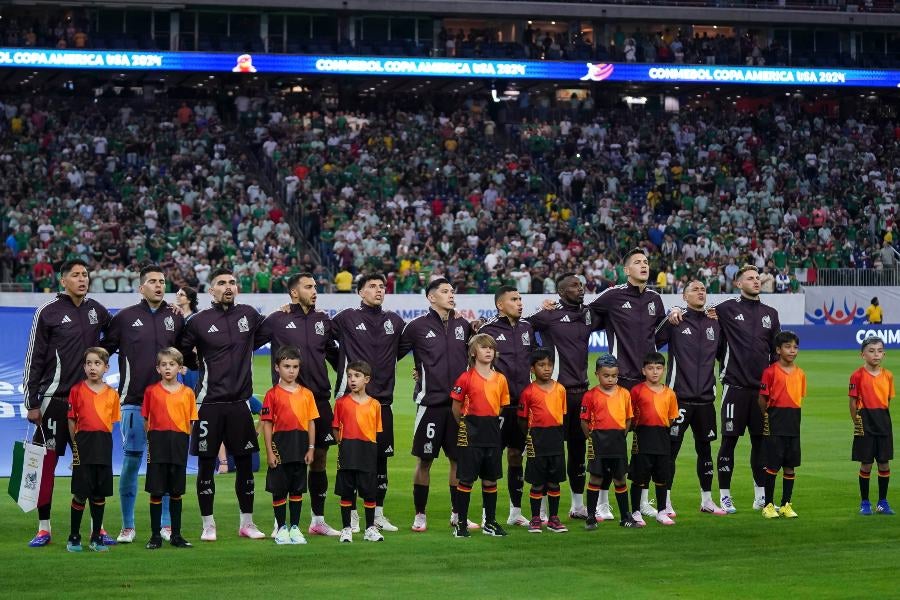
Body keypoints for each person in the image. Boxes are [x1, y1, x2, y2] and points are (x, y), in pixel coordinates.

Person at [24, 258, 112, 548]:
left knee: (89, 467)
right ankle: (43, 528)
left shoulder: (96, 311)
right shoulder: (47, 312)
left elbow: (116, 335)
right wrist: (32, 402)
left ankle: (95, 529)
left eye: (85, 274)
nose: (82, 279)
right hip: (54, 402)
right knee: (45, 465)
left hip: (87, 404)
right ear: (63, 280)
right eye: (75, 275)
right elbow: (34, 359)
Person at [178, 267, 266, 542]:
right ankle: (208, 525)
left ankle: (247, 523)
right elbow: (183, 353)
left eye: (232, 282)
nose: (228, 286)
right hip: (209, 404)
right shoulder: (197, 321)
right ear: (211, 290)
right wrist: (197, 366)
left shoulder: (249, 315)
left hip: (240, 404)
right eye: (221, 283)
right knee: (206, 465)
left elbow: (266, 334)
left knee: (244, 464)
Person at [101, 265, 185, 544]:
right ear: (141, 288)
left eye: (162, 281)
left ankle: (166, 525)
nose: (159, 285)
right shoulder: (124, 318)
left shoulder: (175, 318)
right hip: (134, 402)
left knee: (166, 464)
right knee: (132, 461)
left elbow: (187, 356)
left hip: (170, 405)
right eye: (152, 281)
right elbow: (103, 352)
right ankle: (128, 526)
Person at [255, 273, 341, 537]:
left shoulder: (323, 321)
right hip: (287, 401)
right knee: (285, 461)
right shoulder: (277, 320)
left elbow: (337, 355)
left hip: (319, 399)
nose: (315, 290)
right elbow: (247, 342)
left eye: (315, 286)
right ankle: (281, 523)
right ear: (294, 292)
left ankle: (317, 519)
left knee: (319, 459)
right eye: (308, 287)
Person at [586, 248, 667, 519]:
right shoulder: (612, 295)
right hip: (619, 382)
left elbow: (661, 334)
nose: (644, 265)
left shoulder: (656, 299)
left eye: (646, 261)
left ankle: (644, 501)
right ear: (626, 270)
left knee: (645, 444)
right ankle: (602, 504)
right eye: (637, 263)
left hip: (647, 383)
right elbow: (586, 314)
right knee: (612, 443)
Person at [331, 273, 407, 533]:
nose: (378, 290)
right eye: (372, 286)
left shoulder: (395, 322)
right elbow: (321, 338)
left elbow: (404, 349)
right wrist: (341, 366)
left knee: (380, 462)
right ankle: (351, 515)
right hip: (351, 403)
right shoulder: (345, 318)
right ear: (360, 292)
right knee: (351, 462)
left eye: (381, 287)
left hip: (382, 403)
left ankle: (378, 515)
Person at [528, 273, 604, 520]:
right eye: (574, 285)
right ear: (560, 292)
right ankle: (538, 509)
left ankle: (577, 505)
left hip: (581, 393)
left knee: (578, 450)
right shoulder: (548, 316)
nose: (580, 289)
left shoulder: (589, 314)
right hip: (553, 394)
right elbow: (522, 325)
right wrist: (534, 357)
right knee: (547, 451)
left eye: (581, 285)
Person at [401, 278, 473, 532]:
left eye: (452, 291)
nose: (451, 295)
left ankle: (457, 513)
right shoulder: (416, 327)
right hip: (429, 405)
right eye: (444, 291)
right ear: (431, 297)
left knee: (457, 460)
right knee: (424, 460)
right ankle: (420, 514)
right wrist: (417, 372)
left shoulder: (464, 325)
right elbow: (393, 353)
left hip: (458, 406)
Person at [710, 265, 781, 513]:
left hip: (761, 391)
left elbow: (775, 354)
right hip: (735, 387)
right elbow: (702, 316)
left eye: (757, 278)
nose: (755, 281)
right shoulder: (726, 309)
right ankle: (725, 496)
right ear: (739, 284)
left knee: (760, 443)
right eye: (749, 278)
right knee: (729, 441)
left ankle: (760, 496)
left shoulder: (770, 314)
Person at [654, 280, 726, 516]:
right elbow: (653, 338)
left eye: (703, 289)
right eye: (694, 289)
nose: (700, 292)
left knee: (705, 451)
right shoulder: (677, 321)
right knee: (670, 451)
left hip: (705, 399)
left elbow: (725, 354)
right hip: (679, 399)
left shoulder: (715, 323)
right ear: (684, 297)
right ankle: (665, 502)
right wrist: (670, 313)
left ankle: (707, 500)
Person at [480, 285, 536, 527]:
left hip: (522, 406)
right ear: (500, 305)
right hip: (497, 408)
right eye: (514, 299)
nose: (520, 303)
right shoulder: (487, 330)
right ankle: (486, 514)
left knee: (516, 456)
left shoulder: (527, 328)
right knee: (491, 458)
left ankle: (515, 511)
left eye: (521, 299)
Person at [450, 334, 510, 538]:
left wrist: (488, 422)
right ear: (474, 352)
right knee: (466, 480)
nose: (488, 351)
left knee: (490, 480)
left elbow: (501, 406)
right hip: (470, 431)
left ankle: (490, 522)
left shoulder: (500, 379)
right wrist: (466, 425)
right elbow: (456, 407)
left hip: (492, 431)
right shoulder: (465, 378)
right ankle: (461, 523)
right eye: (484, 347)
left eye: (491, 348)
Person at [261, 346, 318, 545]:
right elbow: (267, 424)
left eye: (295, 366)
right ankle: (281, 527)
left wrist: (311, 448)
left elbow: (311, 422)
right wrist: (269, 451)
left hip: (300, 446)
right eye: (286, 366)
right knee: (279, 489)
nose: (291, 370)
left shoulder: (307, 394)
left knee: (297, 489)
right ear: (277, 368)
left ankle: (294, 527)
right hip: (280, 446)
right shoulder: (272, 394)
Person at [66, 348, 120, 552]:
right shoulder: (76, 390)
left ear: (106, 367)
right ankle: (74, 536)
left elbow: (110, 424)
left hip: (103, 446)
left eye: (97, 363)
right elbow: (71, 420)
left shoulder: (112, 394)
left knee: (99, 495)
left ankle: (96, 537)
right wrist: (76, 448)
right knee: (80, 493)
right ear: (84, 366)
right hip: (83, 445)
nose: (92, 367)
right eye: (88, 363)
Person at [142, 347, 197, 548]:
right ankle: (155, 536)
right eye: (163, 364)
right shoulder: (151, 392)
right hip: (157, 444)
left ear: (180, 368)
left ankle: (176, 535)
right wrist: (154, 439)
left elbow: (191, 421)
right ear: (158, 368)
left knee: (176, 491)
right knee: (156, 491)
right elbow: (146, 420)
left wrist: (182, 440)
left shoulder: (188, 393)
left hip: (179, 444)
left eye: (172, 364)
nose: (167, 368)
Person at [580, 354, 640, 529]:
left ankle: (625, 517)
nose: (610, 379)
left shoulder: (624, 394)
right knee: (596, 477)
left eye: (614, 376)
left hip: (617, 441)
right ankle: (591, 516)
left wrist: (621, 435)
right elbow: (583, 420)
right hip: (598, 440)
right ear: (597, 374)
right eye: (606, 375)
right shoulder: (590, 396)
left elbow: (629, 418)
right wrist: (591, 439)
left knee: (620, 478)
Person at [332, 361, 384, 543]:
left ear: (366, 379)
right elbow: (336, 429)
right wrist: (344, 444)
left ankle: (370, 528)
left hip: (367, 451)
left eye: (357, 376)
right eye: (349, 376)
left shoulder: (375, 405)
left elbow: (375, 430)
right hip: (347, 451)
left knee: (369, 492)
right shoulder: (341, 403)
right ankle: (346, 529)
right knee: (347, 492)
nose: (352, 380)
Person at [517, 349, 567, 533]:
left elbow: (562, 415)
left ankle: (554, 518)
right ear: (532, 369)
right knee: (537, 482)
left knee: (555, 482)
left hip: (555, 439)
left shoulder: (560, 389)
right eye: (541, 365)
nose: (546, 369)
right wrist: (530, 436)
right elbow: (522, 419)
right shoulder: (528, 392)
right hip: (537, 440)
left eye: (549, 365)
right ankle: (536, 519)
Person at [758, 331, 806, 519]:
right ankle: (768, 505)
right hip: (775, 422)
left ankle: (786, 504)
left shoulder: (800, 374)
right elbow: (762, 399)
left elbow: (798, 399)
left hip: (793, 423)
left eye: (795, 347)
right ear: (778, 350)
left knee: (790, 466)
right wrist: (768, 416)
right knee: (772, 466)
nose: (792, 351)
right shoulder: (770, 372)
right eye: (788, 347)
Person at [629, 352, 679, 526]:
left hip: (662, 438)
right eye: (650, 368)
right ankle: (635, 511)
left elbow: (671, 418)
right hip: (642, 437)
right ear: (644, 370)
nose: (655, 372)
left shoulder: (670, 394)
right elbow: (631, 416)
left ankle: (662, 511)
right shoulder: (636, 391)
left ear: (664, 370)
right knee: (639, 477)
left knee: (661, 477)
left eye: (658, 368)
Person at [851, 336, 895, 515]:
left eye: (879, 351)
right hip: (865, 422)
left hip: (883, 422)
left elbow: (887, 401)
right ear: (863, 355)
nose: (876, 355)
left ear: (884, 353)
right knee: (866, 464)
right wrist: (857, 423)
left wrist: (882, 419)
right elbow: (853, 403)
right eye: (871, 351)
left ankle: (882, 502)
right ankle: (865, 502)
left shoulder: (888, 375)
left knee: (884, 464)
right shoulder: (857, 375)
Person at [174, 286, 200, 392]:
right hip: (175, 364)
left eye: (181, 295)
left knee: (192, 396)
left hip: (190, 365)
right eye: (177, 294)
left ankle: (254, 404)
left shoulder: (196, 318)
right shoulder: (174, 316)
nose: (177, 296)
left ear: (189, 300)